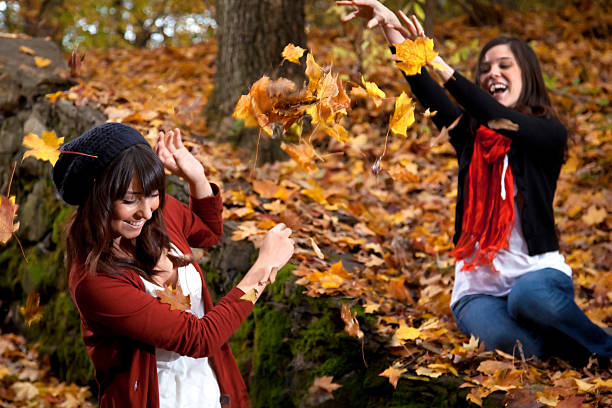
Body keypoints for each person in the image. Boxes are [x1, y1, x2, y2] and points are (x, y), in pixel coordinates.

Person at [337, 0, 612, 366]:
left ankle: (604, 348)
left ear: (527, 76)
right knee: (515, 347)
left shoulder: (548, 135)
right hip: (478, 291)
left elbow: (498, 116)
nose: (492, 73)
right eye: (484, 69)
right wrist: (390, 27)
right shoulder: (470, 137)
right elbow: (424, 87)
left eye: (504, 66)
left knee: (529, 298)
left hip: (536, 276)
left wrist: (436, 61)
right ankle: (556, 339)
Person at [52, 122, 294, 407]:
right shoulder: (95, 283)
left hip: (212, 388)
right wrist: (263, 270)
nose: (145, 212)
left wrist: (197, 177)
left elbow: (208, 232)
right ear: (97, 196)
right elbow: (200, 338)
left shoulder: (158, 216)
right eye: (130, 200)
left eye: (153, 194)